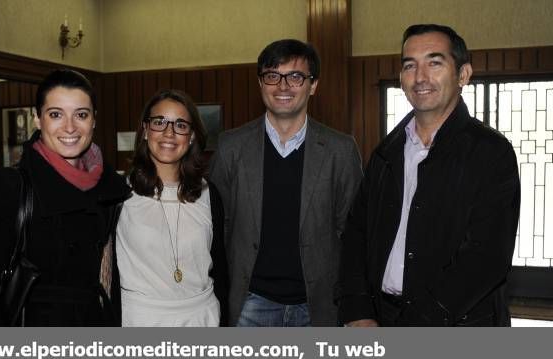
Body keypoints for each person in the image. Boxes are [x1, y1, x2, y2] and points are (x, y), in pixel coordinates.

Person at [337, 24, 521, 327]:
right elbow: (356, 234)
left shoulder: (491, 152)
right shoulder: (386, 152)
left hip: (456, 325)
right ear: (400, 78)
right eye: (410, 65)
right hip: (380, 317)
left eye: (434, 63)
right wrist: (358, 310)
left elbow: (486, 258)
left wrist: (415, 325)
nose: (420, 77)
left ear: (463, 75)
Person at [209, 39, 363, 326]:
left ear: (313, 85)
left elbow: (355, 237)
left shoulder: (340, 150)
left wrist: (357, 307)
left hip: (318, 306)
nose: (283, 86)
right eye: (272, 76)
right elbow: (217, 228)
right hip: (249, 304)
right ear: (260, 83)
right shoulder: (231, 147)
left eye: (295, 77)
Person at [0, 69, 130, 326]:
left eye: (81, 114)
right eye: (56, 114)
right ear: (37, 118)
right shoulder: (10, 187)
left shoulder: (111, 189)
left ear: (94, 120)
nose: (70, 127)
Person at [116, 89, 227, 327]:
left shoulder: (209, 194)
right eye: (159, 122)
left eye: (180, 125)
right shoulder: (118, 194)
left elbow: (221, 268)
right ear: (145, 130)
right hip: (140, 320)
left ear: (192, 136)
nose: (169, 133)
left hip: (201, 318)